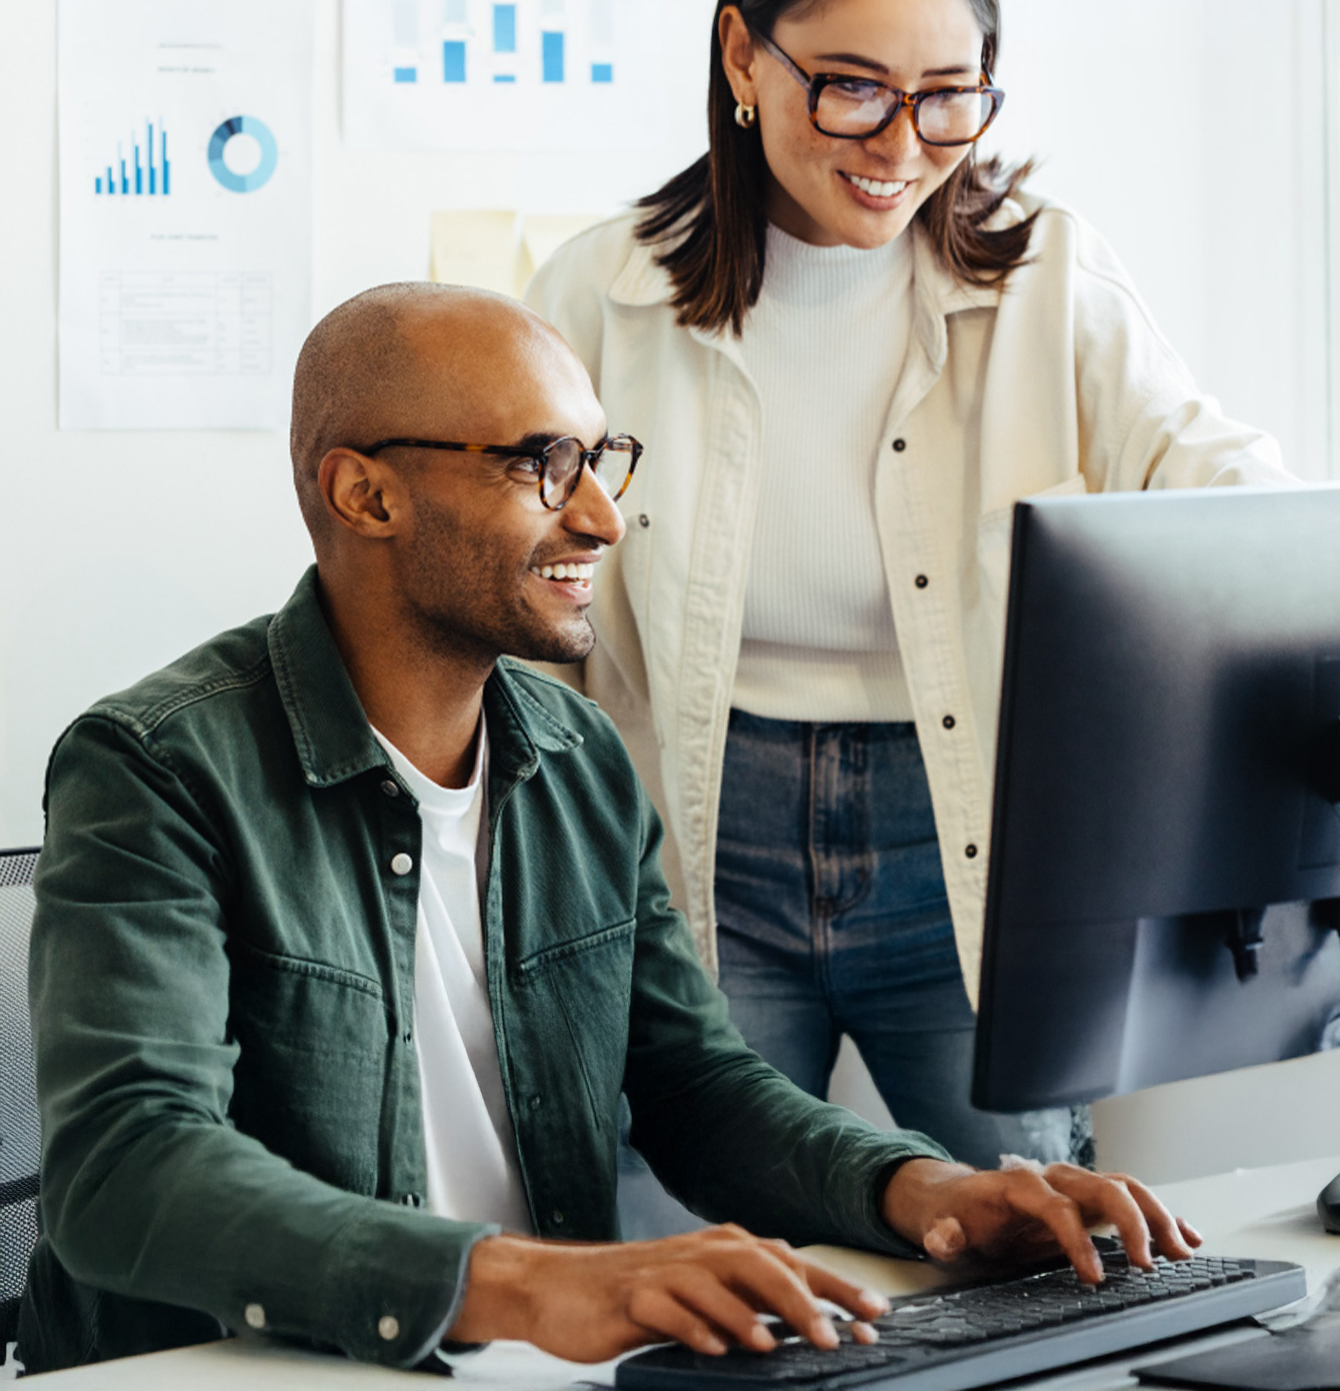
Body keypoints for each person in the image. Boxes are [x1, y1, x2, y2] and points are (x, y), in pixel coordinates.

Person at [19, 284, 1197, 1376]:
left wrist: (927, 1191)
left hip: (531, 1364)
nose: (600, 516)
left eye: (600, 458)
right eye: (542, 463)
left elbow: (690, 1080)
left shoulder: (575, 754)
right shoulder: (155, 767)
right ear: (364, 494)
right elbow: (127, 1167)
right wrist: (529, 1285)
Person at [526, 0, 1291, 1174]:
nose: (899, 149)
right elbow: (519, 579)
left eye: (950, 100)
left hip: (967, 838)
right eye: (855, 88)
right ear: (743, 56)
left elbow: (1227, 493)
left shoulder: (1047, 276)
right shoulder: (603, 293)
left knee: (1032, 1235)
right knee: (708, 1261)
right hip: (699, 834)